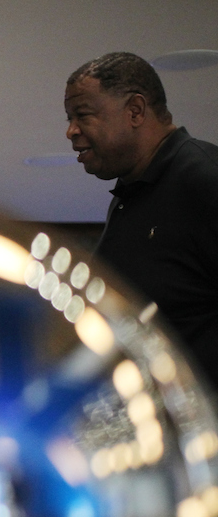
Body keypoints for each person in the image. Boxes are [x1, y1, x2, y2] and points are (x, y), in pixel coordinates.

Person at [65, 51, 218, 388]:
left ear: (135, 111)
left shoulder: (204, 180)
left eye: (83, 115)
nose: (71, 131)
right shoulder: (130, 194)